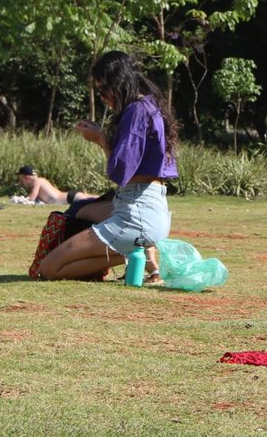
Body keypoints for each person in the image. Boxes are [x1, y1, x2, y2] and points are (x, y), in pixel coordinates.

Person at [34, 51, 178, 281]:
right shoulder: (148, 105)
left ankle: (134, 253)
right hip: (148, 204)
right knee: (79, 209)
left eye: (103, 90)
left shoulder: (136, 111)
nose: (102, 97)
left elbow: (120, 171)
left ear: (118, 82)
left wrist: (100, 139)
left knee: (49, 269)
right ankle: (143, 258)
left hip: (137, 212)